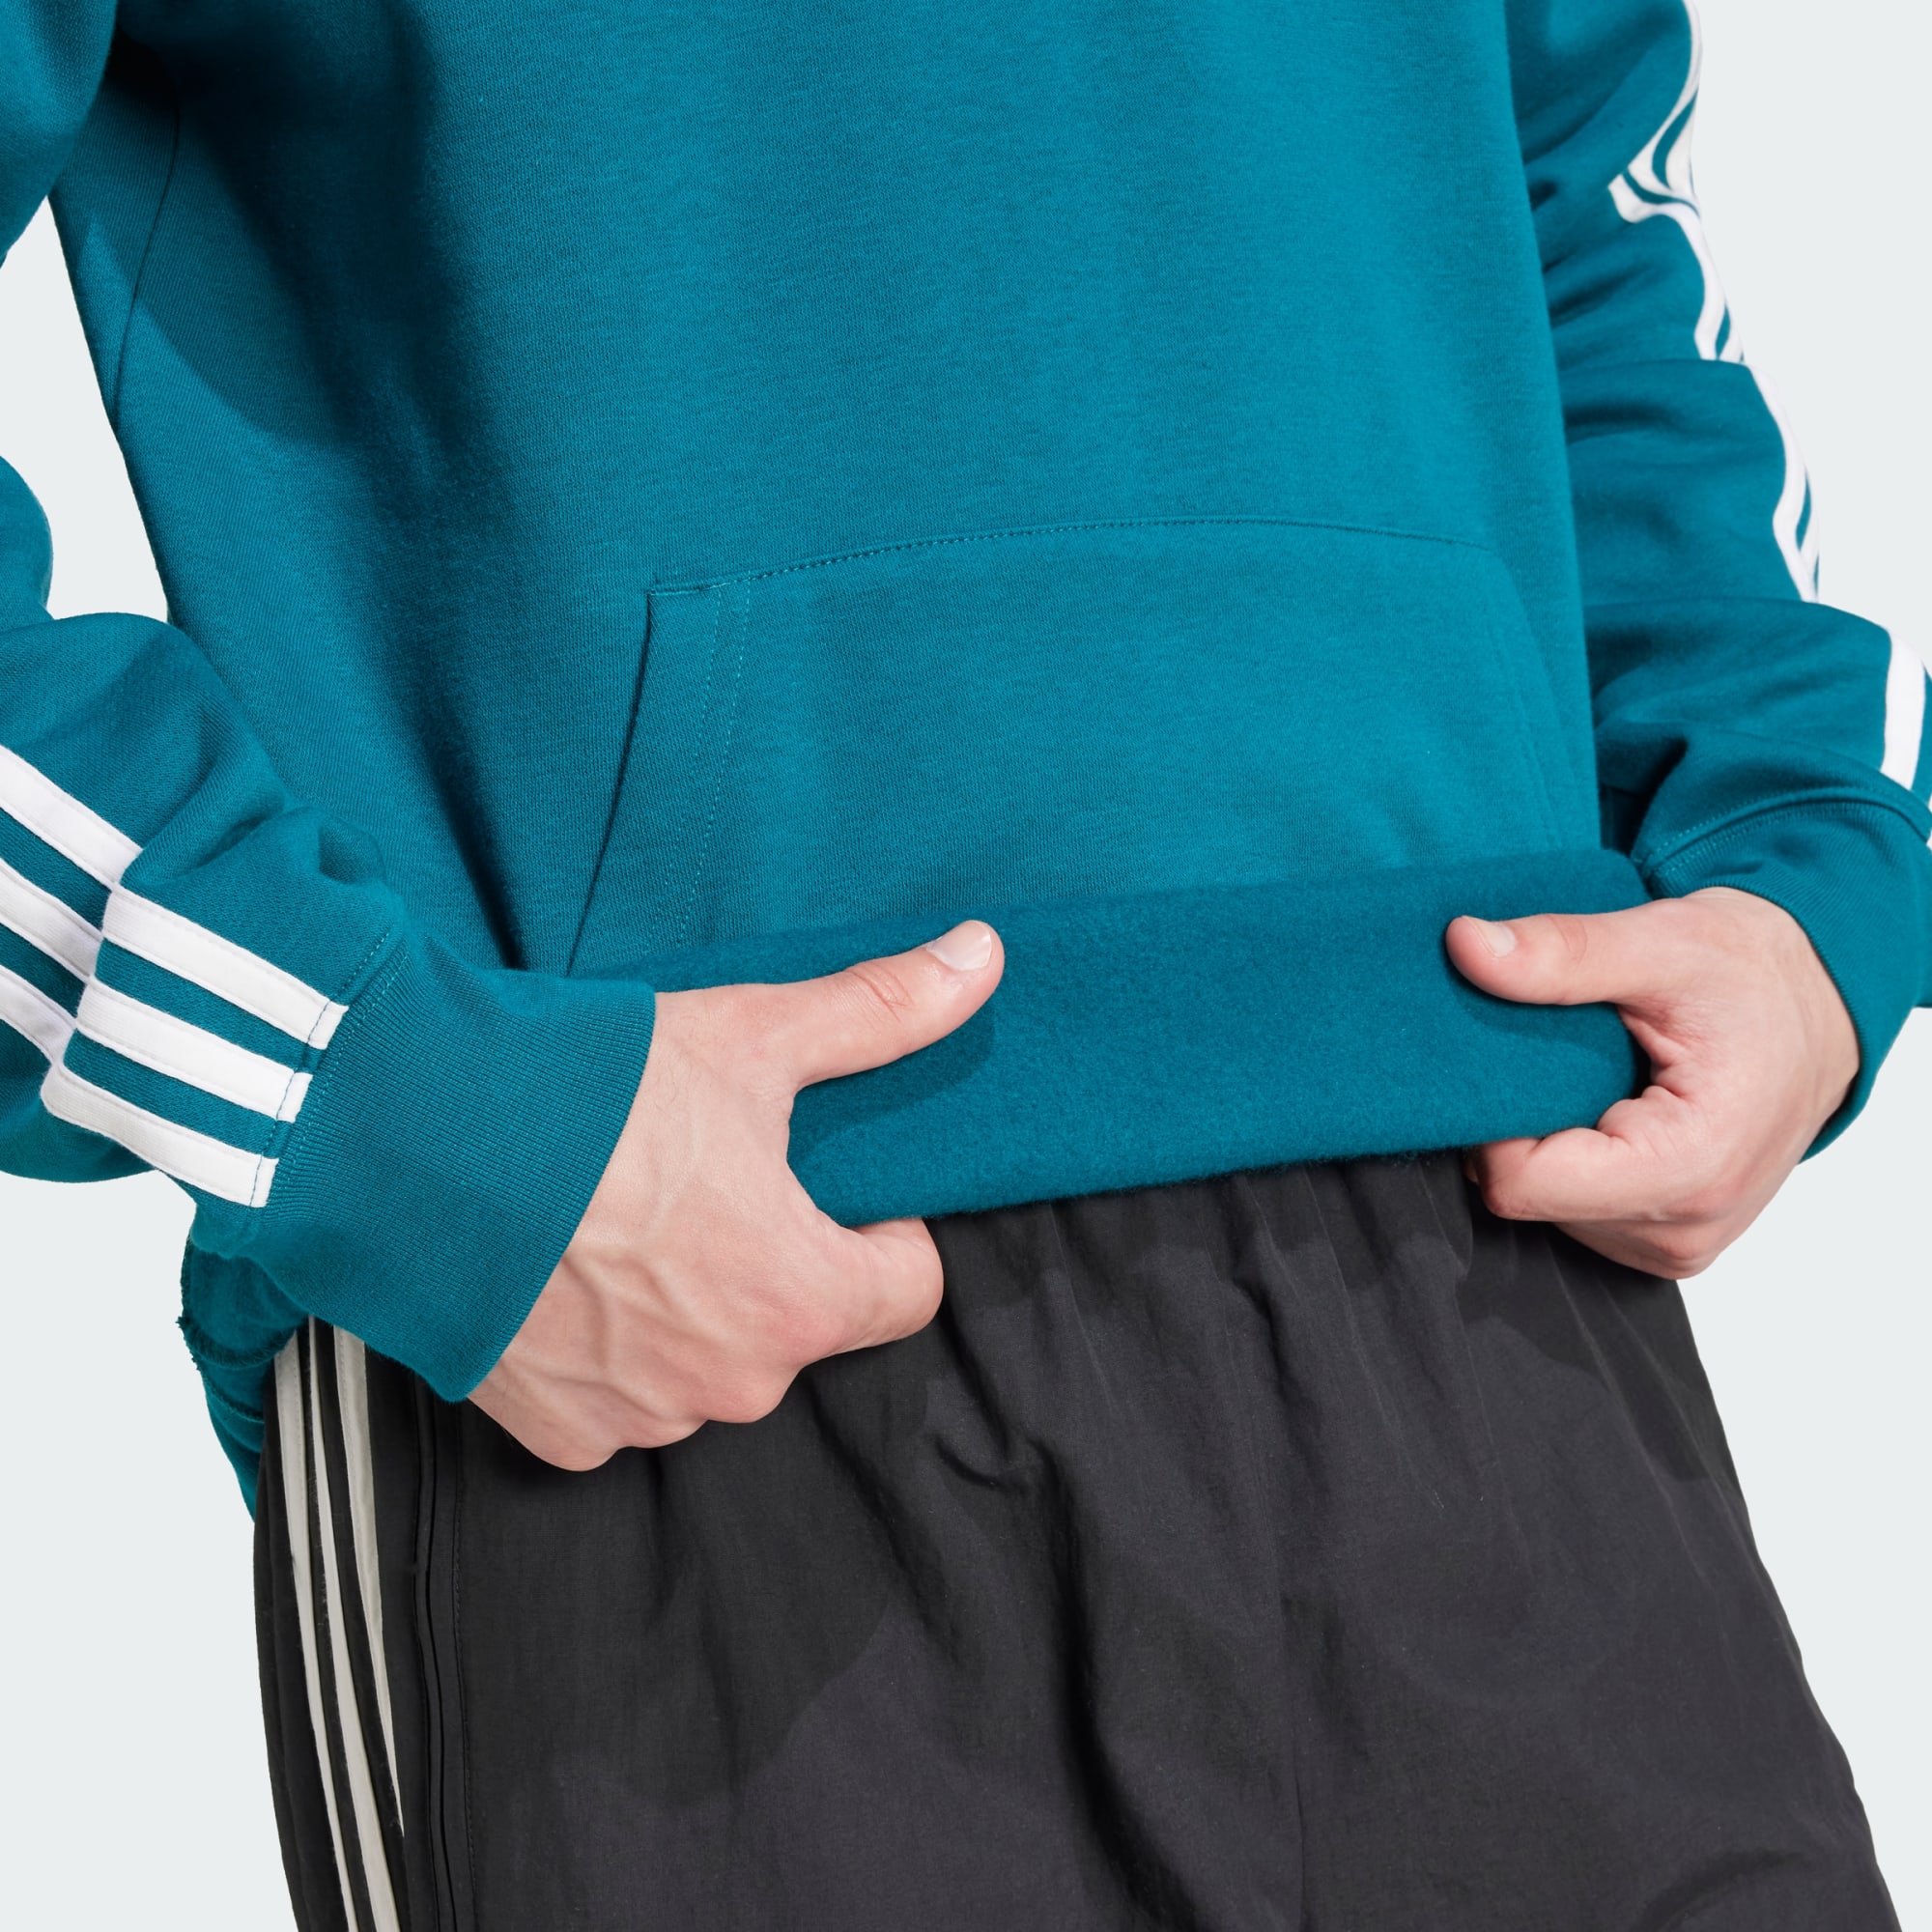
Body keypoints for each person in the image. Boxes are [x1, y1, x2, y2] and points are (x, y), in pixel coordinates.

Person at [2, 0, 1921, 1924]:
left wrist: (1805, 837)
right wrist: (402, 1107)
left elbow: (1571, 163)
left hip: (1502, 1261)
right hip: (681, 1314)